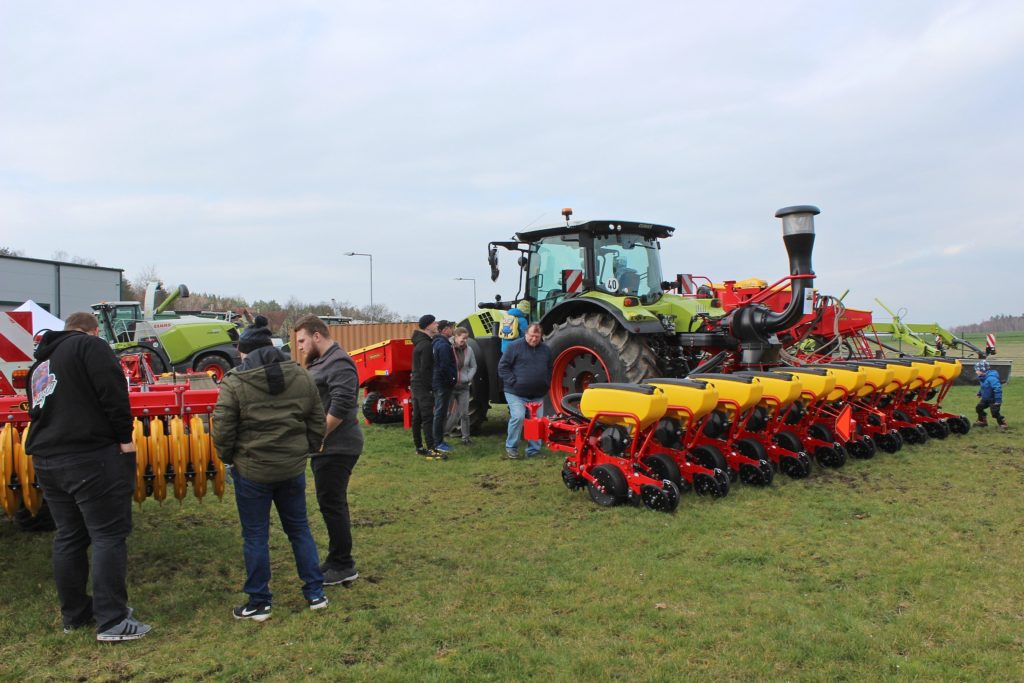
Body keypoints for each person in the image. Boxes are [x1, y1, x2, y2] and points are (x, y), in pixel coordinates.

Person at [25, 312, 151, 641]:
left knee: (69, 536)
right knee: (108, 535)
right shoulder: (91, 347)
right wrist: (125, 439)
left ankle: (76, 615)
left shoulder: (41, 362)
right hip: (89, 457)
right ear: (93, 331)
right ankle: (112, 621)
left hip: (47, 460)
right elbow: (113, 394)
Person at [212, 316, 328, 621]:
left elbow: (223, 429)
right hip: (291, 468)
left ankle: (260, 602)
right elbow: (316, 418)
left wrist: (228, 458)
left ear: (246, 352)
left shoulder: (235, 381)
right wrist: (308, 449)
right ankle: (316, 592)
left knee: (255, 536)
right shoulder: (301, 376)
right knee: (299, 528)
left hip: (252, 471)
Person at [293, 315, 364, 587]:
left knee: (333, 504)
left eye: (302, 340)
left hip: (338, 446)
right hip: (327, 446)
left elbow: (343, 403)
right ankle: (336, 560)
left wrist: (318, 435)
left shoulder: (339, 362)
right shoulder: (322, 361)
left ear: (317, 336)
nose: (299, 346)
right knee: (330, 503)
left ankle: (344, 565)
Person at [497, 323, 552, 459]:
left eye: (537, 336)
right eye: (532, 336)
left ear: (541, 336)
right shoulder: (514, 346)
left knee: (536, 421)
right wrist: (513, 382)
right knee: (518, 416)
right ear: (526, 334)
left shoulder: (546, 350)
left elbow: (550, 368)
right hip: (515, 392)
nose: (534, 339)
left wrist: (545, 382)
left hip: (537, 394)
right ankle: (511, 448)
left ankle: (533, 451)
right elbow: (503, 367)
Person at [410, 314, 439, 458]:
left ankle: (419, 447)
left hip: (416, 384)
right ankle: (431, 448)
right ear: (428, 326)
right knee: (427, 417)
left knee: (417, 417)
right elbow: (425, 370)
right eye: (434, 323)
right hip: (422, 386)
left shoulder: (420, 343)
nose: (437, 324)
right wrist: (430, 388)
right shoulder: (427, 345)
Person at [445, 327, 477, 445]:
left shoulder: (469, 350)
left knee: (464, 413)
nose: (465, 341)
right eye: (463, 338)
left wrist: (468, 377)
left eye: (466, 338)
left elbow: (473, 366)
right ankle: (440, 435)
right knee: (446, 412)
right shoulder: (448, 348)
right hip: (450, 386)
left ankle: (466, 438)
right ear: (456, 336)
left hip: (463, 387)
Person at [431, 320, 458, 456]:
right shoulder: (443, 345)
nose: (453, 330)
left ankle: (437, 440)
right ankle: (438, 442)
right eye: (451, 328)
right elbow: (445, 366)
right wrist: (452, 379)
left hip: (439, 382)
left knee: (440, 412)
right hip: (442, 384)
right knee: (440, 413)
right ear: (445, 329)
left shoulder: (438, 343)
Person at [974, 359, 1008, 431]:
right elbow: (983, 387)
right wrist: (980, 393)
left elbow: (998, 389)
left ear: (982, 370)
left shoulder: (992, 378)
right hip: (985, 399)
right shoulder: (982, 378)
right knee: (979, 408)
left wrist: (998, 400)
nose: (976, 371)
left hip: (994, 400)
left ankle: (1003, 424)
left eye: (977, 370)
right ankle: (982, 421)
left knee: (995, 413)